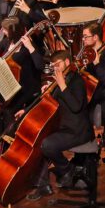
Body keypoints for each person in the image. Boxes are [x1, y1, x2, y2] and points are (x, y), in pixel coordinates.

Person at [27, 50, 93, 200]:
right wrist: (26, 110)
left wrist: (62, 86)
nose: (55, 68)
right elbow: (50, 103)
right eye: (53, 65)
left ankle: (68, 170)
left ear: (67, 63)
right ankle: (43, 185)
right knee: (40, 141)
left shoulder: (77, 81)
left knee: (47, 144)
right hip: (63, 128)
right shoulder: (59, 80)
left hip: (78, 131)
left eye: (57, 64)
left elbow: (76, 106)